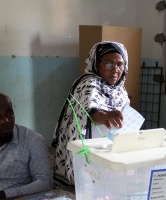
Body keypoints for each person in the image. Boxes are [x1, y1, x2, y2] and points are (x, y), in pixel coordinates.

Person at [52, 41, 130, 187]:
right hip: (88, 144)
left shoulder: (121, 90)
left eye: (120, 64)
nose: (115, 70)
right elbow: (89, 110)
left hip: (111, 145)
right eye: (108, 64)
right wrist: (104, 116)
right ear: (96, 64)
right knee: (87, 184)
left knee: (107, 184)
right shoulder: (88, 83)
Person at [0, 92, 53, 200]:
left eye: (9, 114)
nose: (5, 121)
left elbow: (45, 182)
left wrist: (5, 194)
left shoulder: (33, 140)